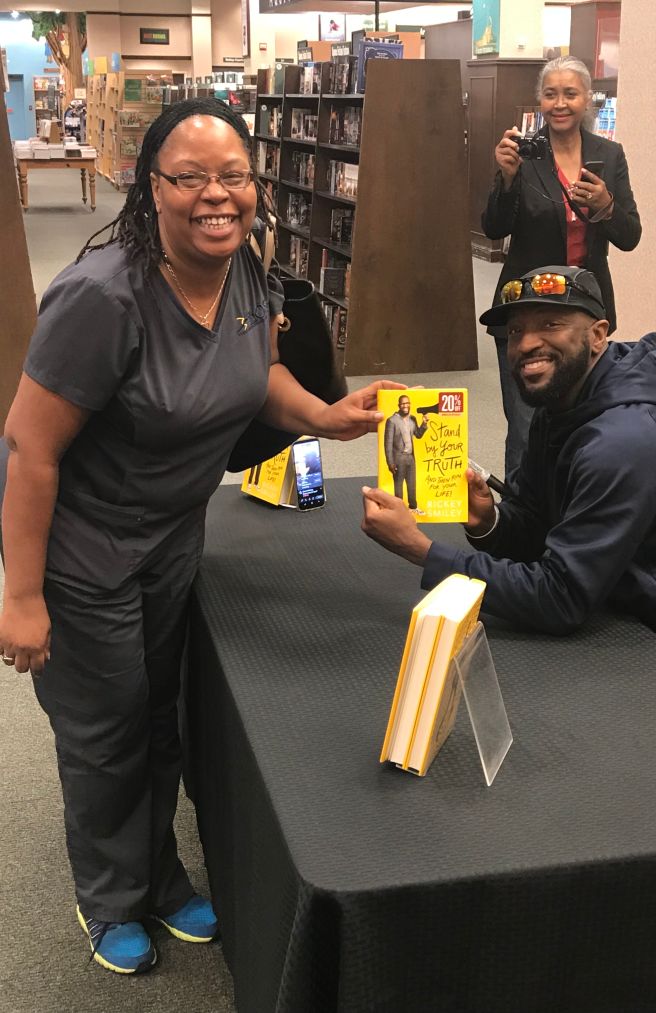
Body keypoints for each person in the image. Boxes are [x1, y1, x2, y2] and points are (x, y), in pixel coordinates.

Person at [0, 98, 402, 976]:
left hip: (173, 534)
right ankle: (109, 895)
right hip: (84, 548)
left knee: (159, 717)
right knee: (104, 732)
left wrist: (325, 417)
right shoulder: (103, 297)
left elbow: (258, 373)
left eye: (233, 177)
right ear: (153, 188)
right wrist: (22, 596)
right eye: (191, 178)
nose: (216, 197)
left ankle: (162, 872)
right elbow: (30, 447)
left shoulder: (243, 272)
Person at [362, 265, 656, 682]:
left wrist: (422, 551)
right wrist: (488, 521)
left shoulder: (623, 443)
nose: (527, 343)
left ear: (598, 335)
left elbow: (560, 599)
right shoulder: (559, 408)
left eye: (551, 324)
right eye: (516, 331)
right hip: (619, 618)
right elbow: (540, 529)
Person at [483, 55, 641, 480]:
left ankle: (572, 516)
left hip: (585, 315)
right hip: (527, 311)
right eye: (550, 93)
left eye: (570, 93)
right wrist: (508, 178)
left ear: (587, 99)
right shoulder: (523, 153)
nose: (560, 103)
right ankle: (517, 529)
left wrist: (606, 205)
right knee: (525, 427)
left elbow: (630, 236)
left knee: (583, 423)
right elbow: (494, 226)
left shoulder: (609, 155)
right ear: (540, 100)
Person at [383, 394, 428, 514]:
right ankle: (399, 511)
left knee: (412, 483)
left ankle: (413, 507)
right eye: (403, 403)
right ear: (399, 405)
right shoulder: (392, 421)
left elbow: (418, 435)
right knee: (398, 485)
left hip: (411, 457)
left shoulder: (412, 419)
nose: (405, 405)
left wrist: (424, 424)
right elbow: (388, 443)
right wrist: (390, 463)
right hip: (398, 458)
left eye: (407, 403)